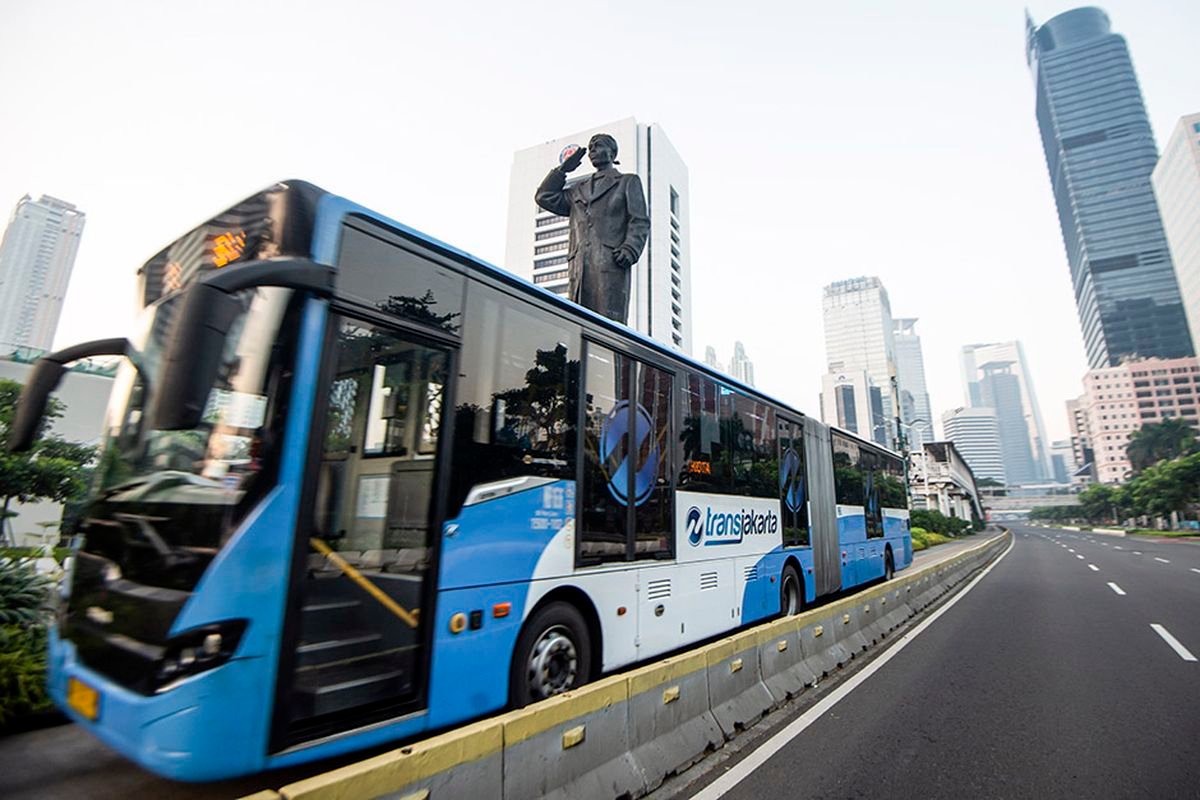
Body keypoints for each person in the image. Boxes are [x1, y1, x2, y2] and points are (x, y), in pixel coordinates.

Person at [535, 133, 650, 324]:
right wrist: (562, 170)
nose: (592, 152)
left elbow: (639, 221)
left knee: (609, 326)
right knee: (578, 325)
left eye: (598, 146)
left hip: (610, 261)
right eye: (590, 148)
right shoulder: (577, 190)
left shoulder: (627, 182)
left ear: (612, 152)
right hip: (579, 266)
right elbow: (544, 197)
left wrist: (630, 248)